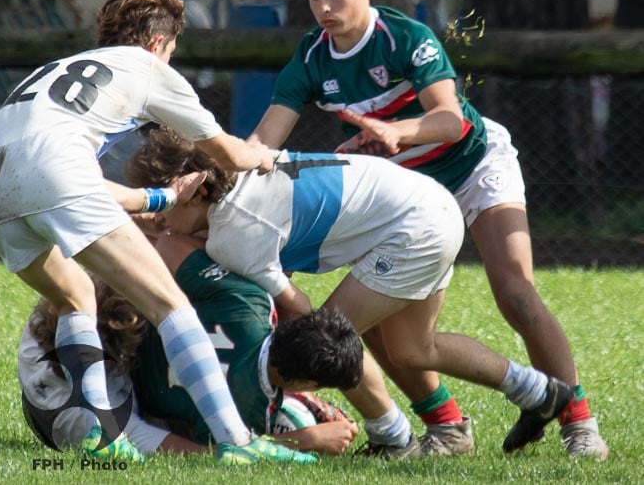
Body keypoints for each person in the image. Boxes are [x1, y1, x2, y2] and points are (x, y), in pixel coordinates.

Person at [249, 0, 607, 459]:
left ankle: (578, 423)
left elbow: (449, 120)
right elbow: (262, 143)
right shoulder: (310, 59)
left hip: (472, 167)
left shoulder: (405, 37)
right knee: (377, 327)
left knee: (515, 292)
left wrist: (397, 132)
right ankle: (446, 426)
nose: (323, 8)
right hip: (409, 196)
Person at [0, 0, 314, 466]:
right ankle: (237, 441)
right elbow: (230, 154)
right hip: (53, 175)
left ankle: (101, 435)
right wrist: (264, 157)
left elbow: (53, 176)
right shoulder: (150, 69)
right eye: (170, 50)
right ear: (157, 43)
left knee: (75, 297)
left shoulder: (59, 69)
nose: (168, 60)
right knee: (170, 304)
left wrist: (161, 197)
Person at [126, 126, 575, 458]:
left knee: (325, 341)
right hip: (427, 204)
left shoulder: (234, 235)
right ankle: (539, 392)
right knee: (414, 349)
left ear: (195, 190)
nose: (157, 216)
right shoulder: (236, 169)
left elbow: (297, 307)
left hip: (413, 228)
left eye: (162, 202)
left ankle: (392, 441)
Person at [18, 235, 361, 459]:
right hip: (60, 396)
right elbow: (211, 453)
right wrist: (306, 440)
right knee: (119, 437)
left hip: (70, 315)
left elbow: (169, 246)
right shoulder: (247, 413)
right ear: (306, 382)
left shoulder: (248, 300)